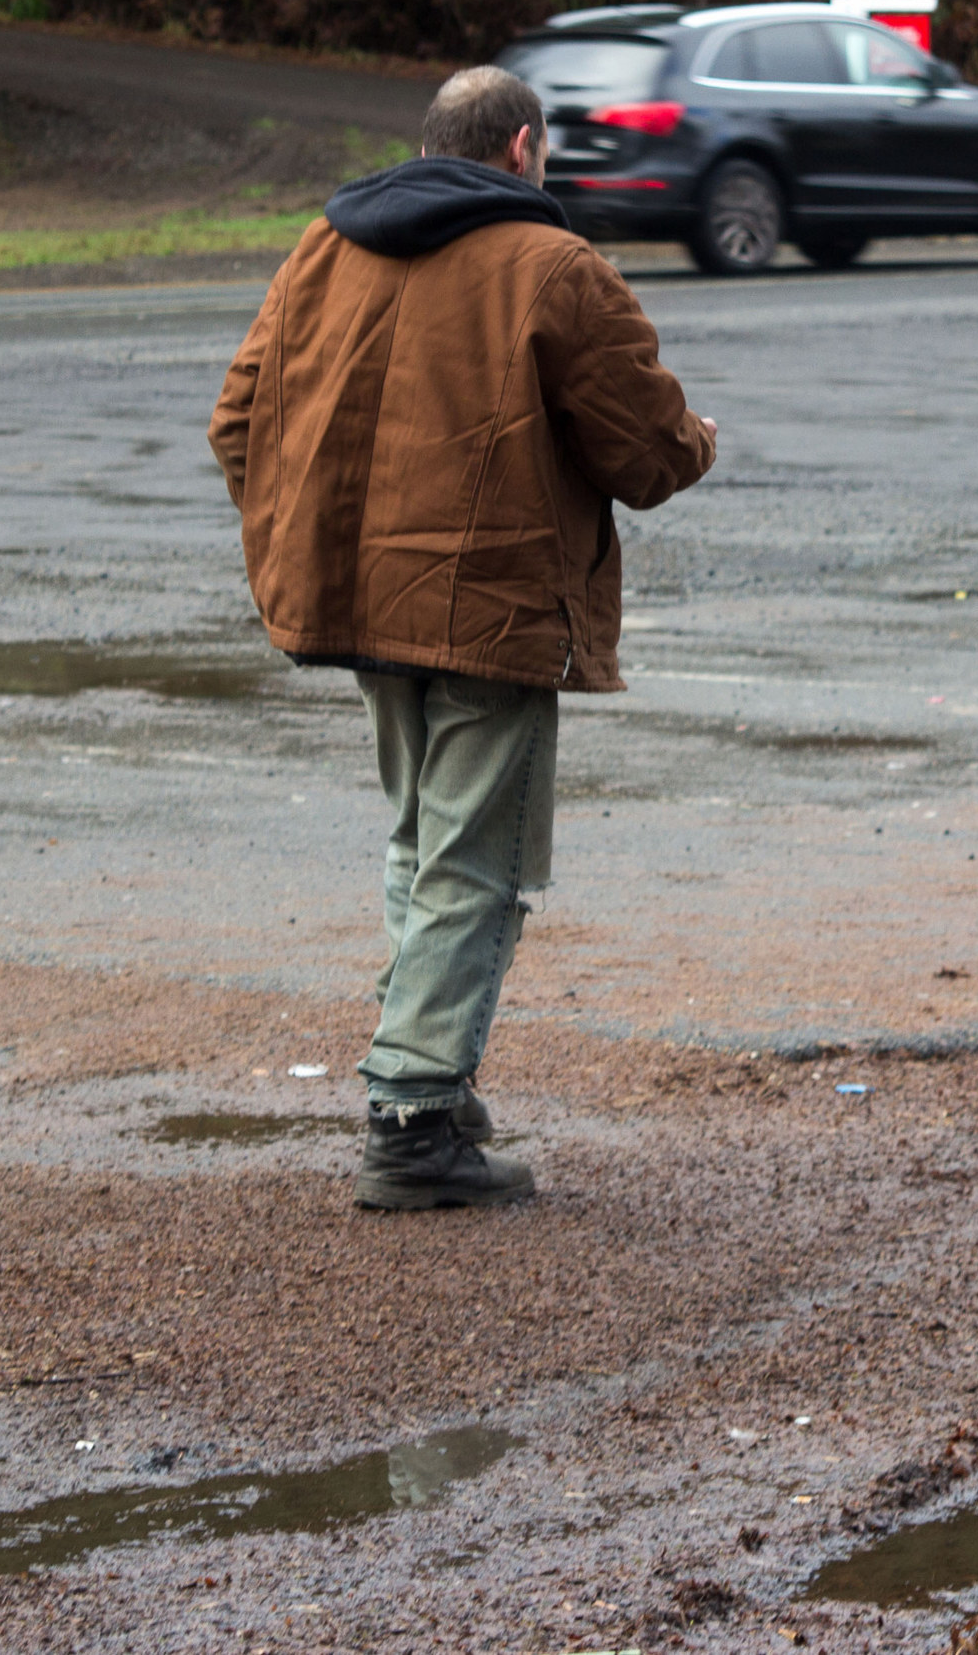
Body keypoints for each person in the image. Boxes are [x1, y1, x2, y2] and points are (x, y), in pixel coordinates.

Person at [209, 66, 716, 1210]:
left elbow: (237, 419)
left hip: (355, 598)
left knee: (420, 842)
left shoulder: (323, 247)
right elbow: (645, 453)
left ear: (433, 144)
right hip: (492, 608)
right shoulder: (555, 267)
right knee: (475, 864)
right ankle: (413, 1116)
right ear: (525, 148)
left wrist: (307, 539)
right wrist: (698, 440)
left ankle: (430, 1075)